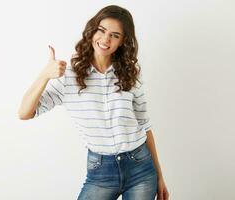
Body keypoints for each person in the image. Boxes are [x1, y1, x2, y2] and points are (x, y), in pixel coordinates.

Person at [18, 5, 169, 200]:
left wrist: (160, 176)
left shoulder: (130, 73)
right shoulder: (70, 75)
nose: (106, 39)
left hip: (141, 168)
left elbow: (145, 125)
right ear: (92, 30)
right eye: (102, 30)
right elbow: (24, 113)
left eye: (115, 35)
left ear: (123, 41)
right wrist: (44, 75)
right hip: (100, 173)